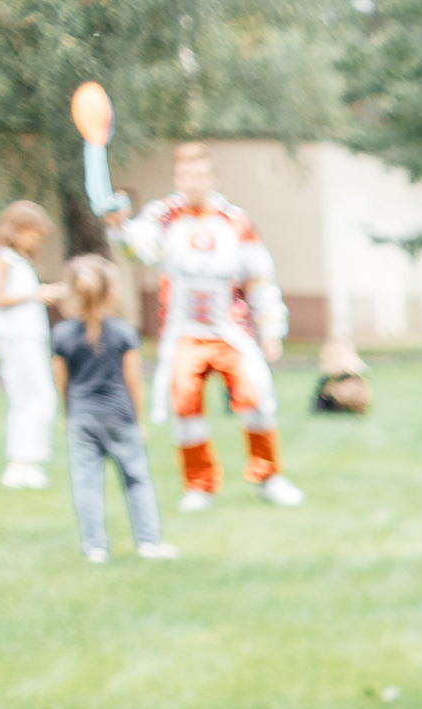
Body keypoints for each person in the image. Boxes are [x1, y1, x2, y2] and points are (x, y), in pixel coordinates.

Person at [115, 142, 305, 510]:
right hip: (184, 332)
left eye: (200, 175)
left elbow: (260, 277)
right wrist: (120, 226)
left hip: (230, 330)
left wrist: (271, 329)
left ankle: (269, 476)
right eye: (186, 175)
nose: (193, 182)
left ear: (213, 177)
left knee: (257, 401)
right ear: (177, 177)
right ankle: (199, 485)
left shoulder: (235, 220)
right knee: (185, 407)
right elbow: (139, 249)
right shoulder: (163, 216)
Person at [51, 255, 177, 565]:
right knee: (137, 479)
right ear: (111, 291)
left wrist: (68, 414)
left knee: (87, 483)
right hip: (120, 415)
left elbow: (61, 382)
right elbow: (133, 380)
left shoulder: (62, 334)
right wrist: (139, 419)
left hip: (81, 416)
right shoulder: (123, 332)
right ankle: (149, 543)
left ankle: (95, 548)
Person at [0, 202, 62, 490]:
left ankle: (26, 462)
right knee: (35, 396)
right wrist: (36, 294)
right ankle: (23, 462)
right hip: (17, 337)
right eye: (33, 234)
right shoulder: (4, 259)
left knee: (32, 397)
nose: (35, 241)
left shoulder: (14, 259)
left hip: (27, 336)